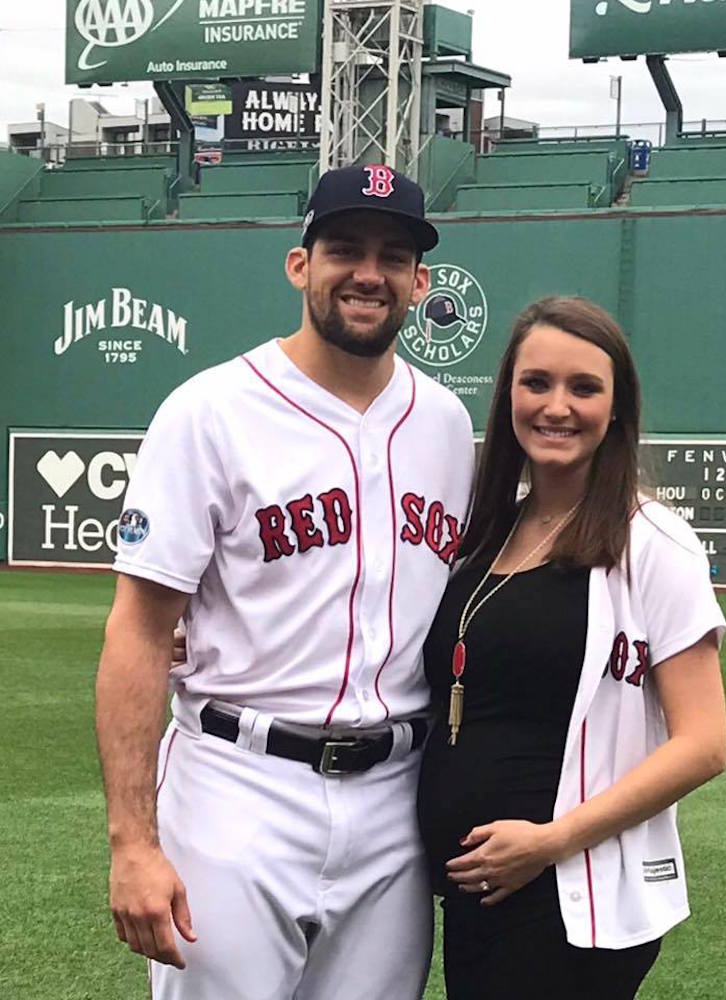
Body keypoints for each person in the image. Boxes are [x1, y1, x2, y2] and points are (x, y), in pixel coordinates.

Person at [95, 165, 475, 1000]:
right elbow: (138, 626)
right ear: (301, 265)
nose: (368, 272)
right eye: (344, 248)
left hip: (393, 796)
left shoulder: (446, 424)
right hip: (239, 785)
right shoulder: (211, 411)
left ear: (421, 282)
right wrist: (132, 841)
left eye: (393, 254)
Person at [416, 296, 726, 1000]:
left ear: (616, 409)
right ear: (508, 397)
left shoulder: (653, 542)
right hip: (474, 890)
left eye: (584, 388)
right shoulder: (483, 530)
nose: (557, 406)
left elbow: (704, 744)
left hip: (570, 893)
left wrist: (550, 841)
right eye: (537, 384)